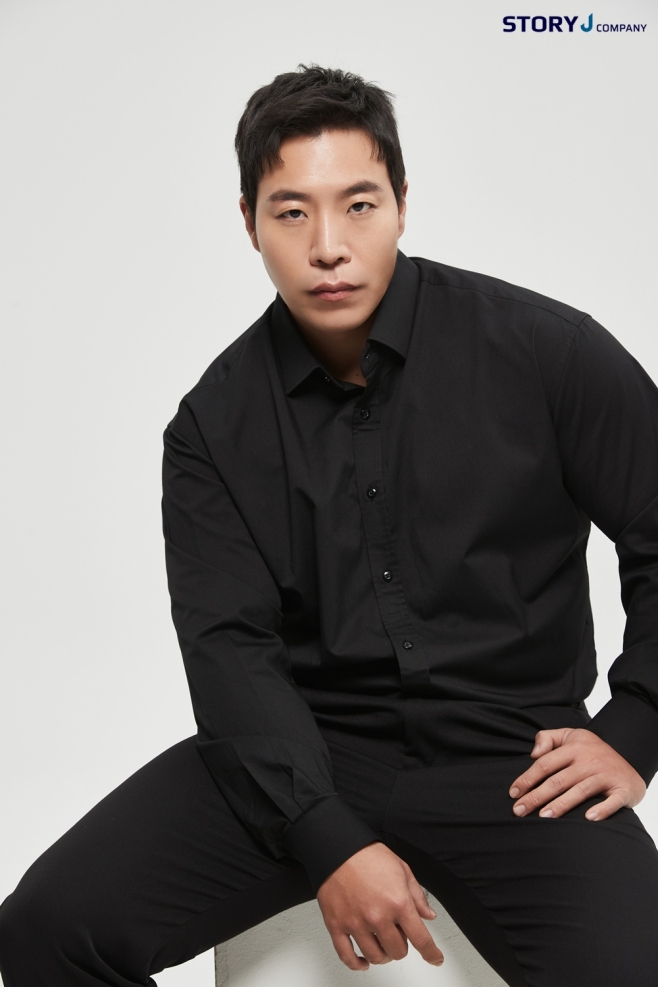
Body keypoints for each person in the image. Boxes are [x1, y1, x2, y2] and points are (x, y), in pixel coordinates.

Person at [1, 63, 657, 987]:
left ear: (402, 203)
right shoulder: (212, 425)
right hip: (304, 750)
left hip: (515, 755)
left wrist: (637, 723)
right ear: (249, 222)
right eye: (292, 212)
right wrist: (327, 836)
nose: (329, 247)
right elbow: (230, 650)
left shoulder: (546, 352)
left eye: (358, 205)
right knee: (48, 928)